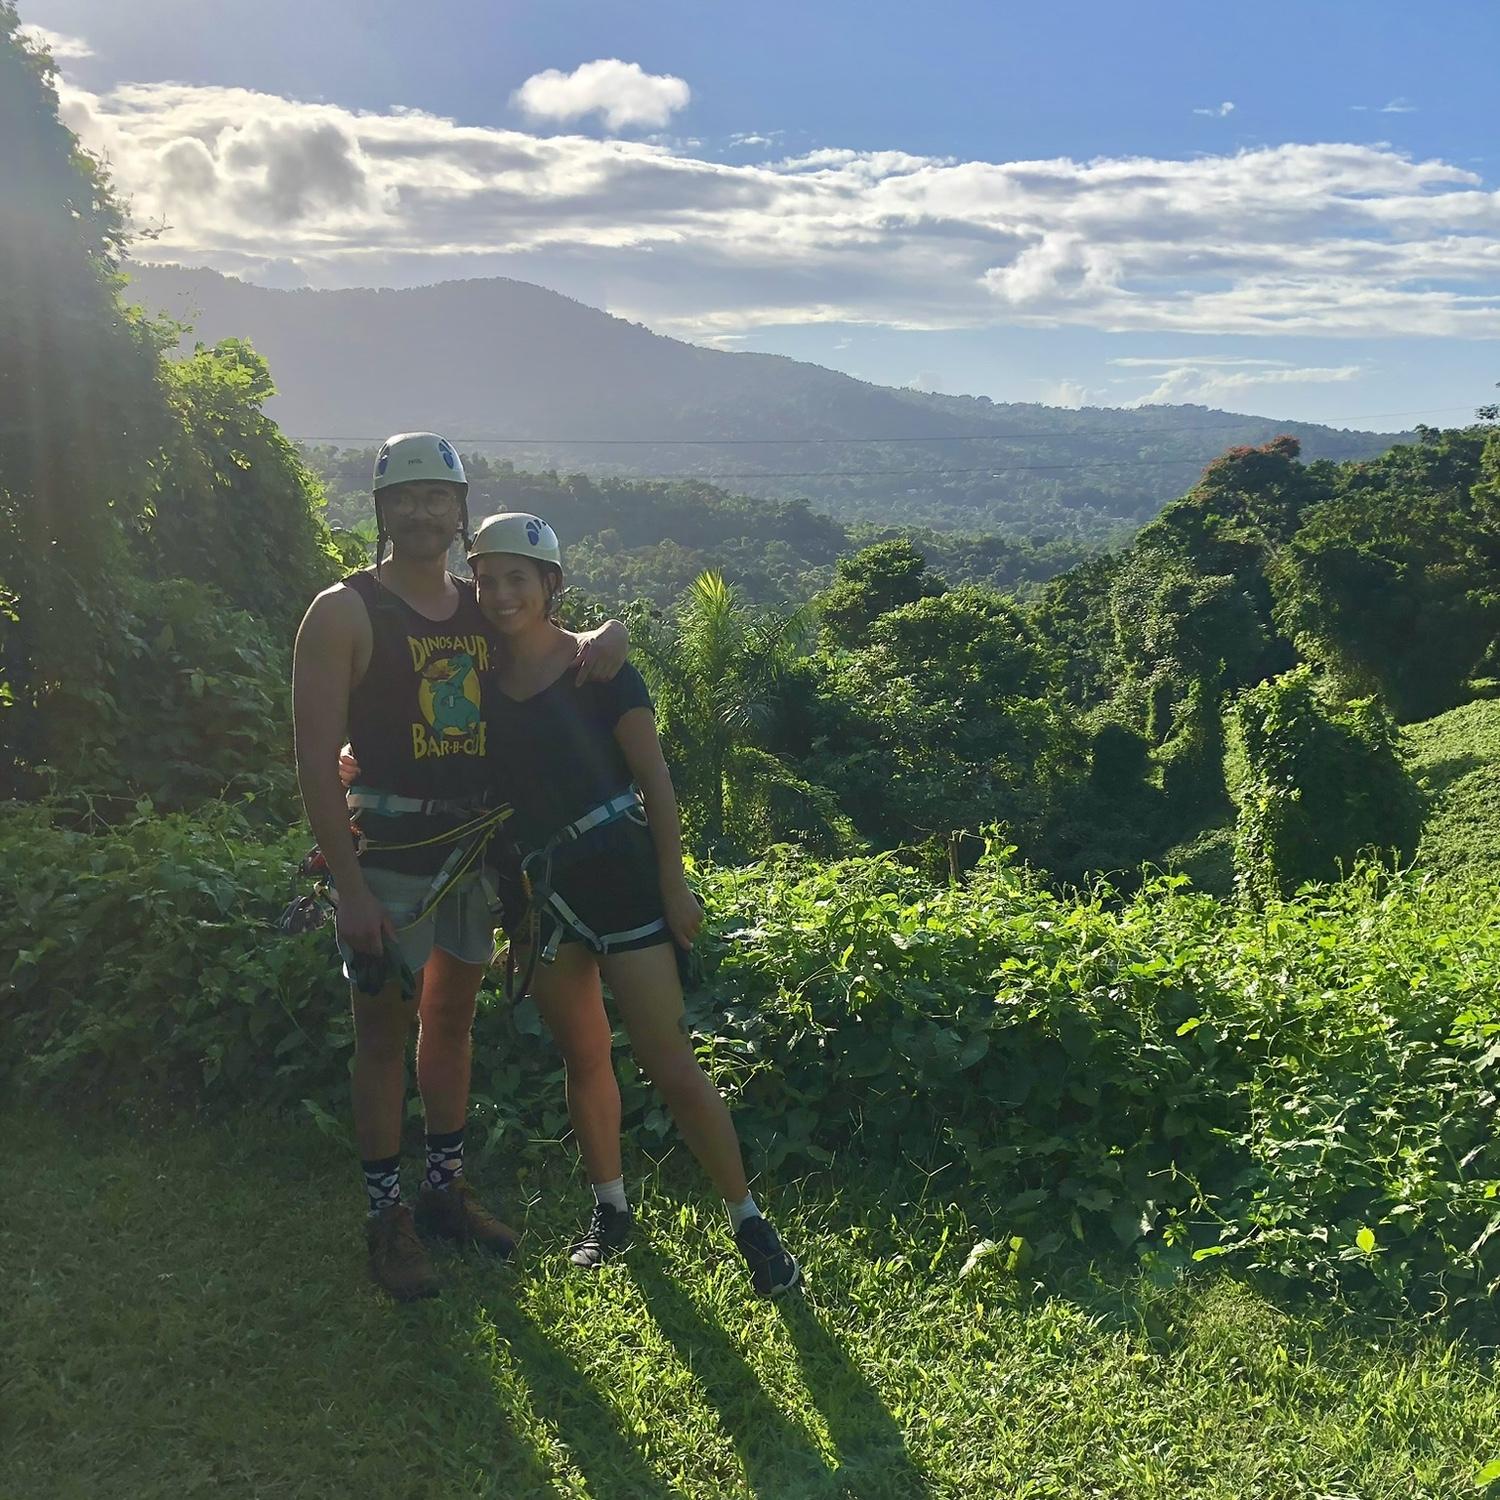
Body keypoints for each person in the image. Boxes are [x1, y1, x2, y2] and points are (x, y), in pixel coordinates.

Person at [292, 435, 627, 1302]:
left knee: (450, 1023)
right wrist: (350, 886)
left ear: (460, 510)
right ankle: (386, 1214)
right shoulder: (345, 611)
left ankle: (443, 1193)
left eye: (437, 497)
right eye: (404, 498)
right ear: (380, 511)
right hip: (390, 858)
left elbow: (547, 639)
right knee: (381, 1034)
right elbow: (310, 756)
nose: (421, 512)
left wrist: (603, 634)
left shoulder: (477, 608)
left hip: (474, 852)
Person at [469, 512, 802, 1297]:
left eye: (518, 577)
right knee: (583, 1060)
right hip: (540, 895)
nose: (500, 592)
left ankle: (749, 1220)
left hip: (620, 879)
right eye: (487, 579)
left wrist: (673, 881)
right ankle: (610, 1209)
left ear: (551, 585)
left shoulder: (601, 668)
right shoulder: (479, 683)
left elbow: (654, 779)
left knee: (668, 1059)